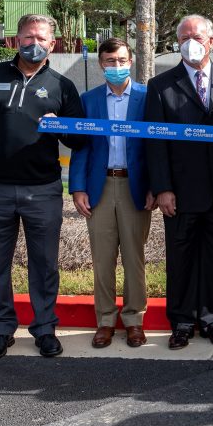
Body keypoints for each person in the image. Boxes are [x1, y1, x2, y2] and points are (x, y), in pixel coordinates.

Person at [0, 14, 88, 360]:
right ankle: (2, 329)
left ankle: (44, 328)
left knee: (44, 264)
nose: (34, 43)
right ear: (15, 39)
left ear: (52, 45)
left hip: (42, 190)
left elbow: (80, 139)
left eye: (42, 38)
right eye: (28, 37)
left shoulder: (62, 86)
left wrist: (63, 127)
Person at [144, 15, 213, 350]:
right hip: (180, 192)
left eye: (197, 36)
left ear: (211, 42)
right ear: (177, 43)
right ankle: (181, 321)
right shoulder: (160, 86)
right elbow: (155, 142)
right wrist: (162, 187)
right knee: (181, 258)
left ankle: (212, 320)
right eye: (184, 37)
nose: (191, 42)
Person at [68, 38, 154, 349]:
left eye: (120, 60)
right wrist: (77, 187)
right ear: (100, 64)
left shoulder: (147, 97)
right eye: (109, 61)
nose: (115, 66)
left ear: (130, 61)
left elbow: (155, 147)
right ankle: (105, 320)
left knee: (134, 258)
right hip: (100, 186)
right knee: (102, 259)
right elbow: (81, 146)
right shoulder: (89, 99)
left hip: (136, 187)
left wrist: (154, 187)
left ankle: (134, 320)